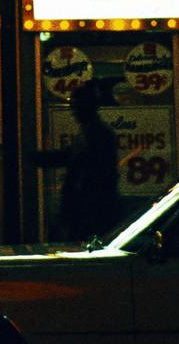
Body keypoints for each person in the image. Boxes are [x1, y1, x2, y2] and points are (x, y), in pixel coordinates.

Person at [32, 81, 121, 242]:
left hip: (88, 212)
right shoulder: (92, 132)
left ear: (87, 106)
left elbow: (92, 175)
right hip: (87, 210)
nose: (72, 110)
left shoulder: (97, 134)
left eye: (76, 105)